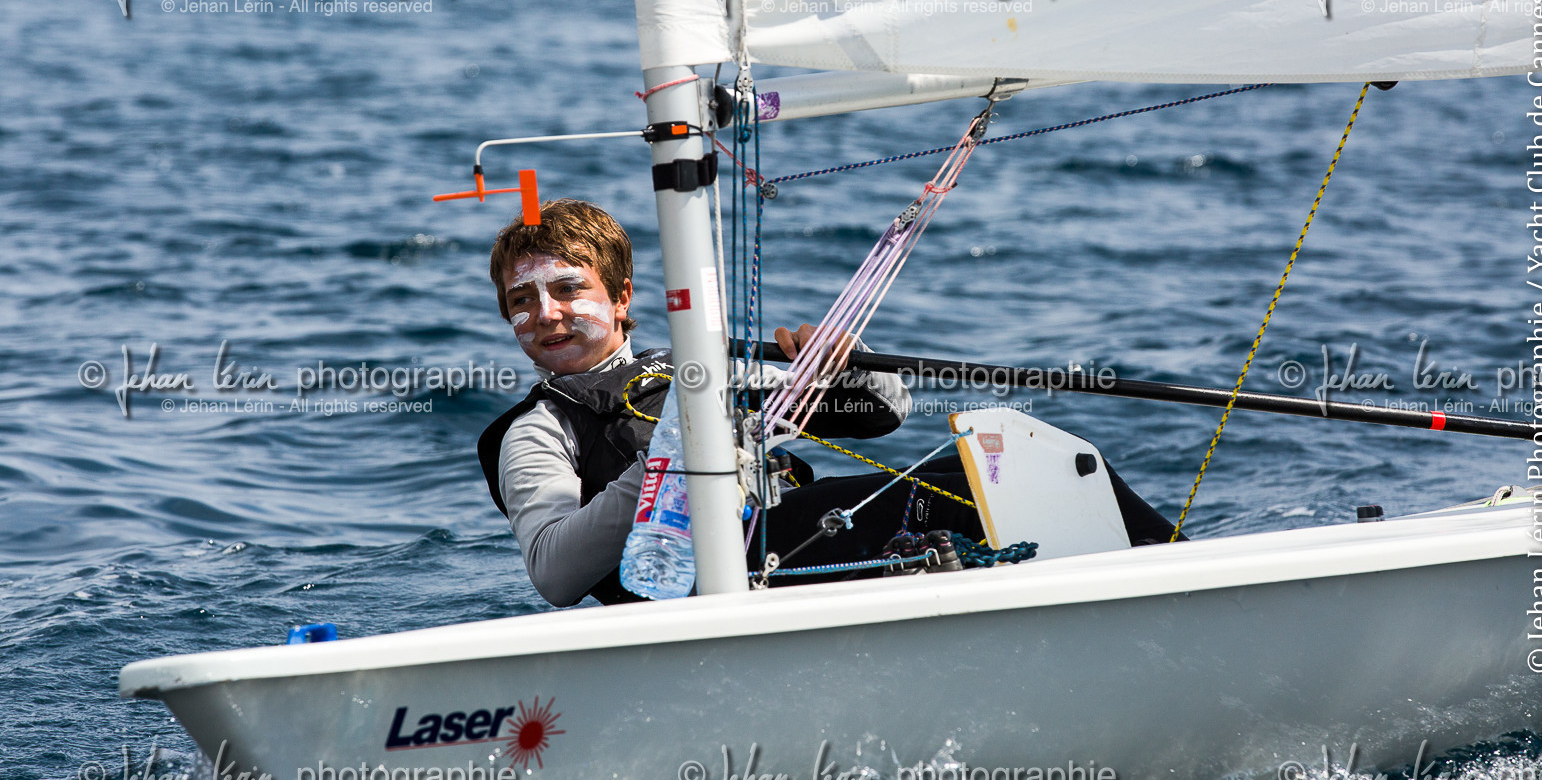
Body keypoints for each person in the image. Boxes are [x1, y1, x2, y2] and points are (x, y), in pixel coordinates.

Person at [478, 199, 1178, 608]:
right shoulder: (538, 430)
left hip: (802, 543)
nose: (547, 312)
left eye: (568, 288)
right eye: (522, 301)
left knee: (1039, 466)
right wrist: (674, 452)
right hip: (701, 590)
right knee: (960, 498)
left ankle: (1178, 579)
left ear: (621, 297)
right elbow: (555, 572)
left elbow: (884, 413)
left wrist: (844, 364)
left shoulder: (696, 367)